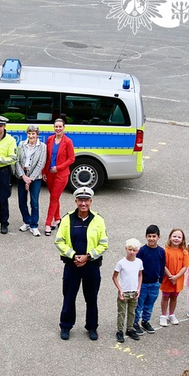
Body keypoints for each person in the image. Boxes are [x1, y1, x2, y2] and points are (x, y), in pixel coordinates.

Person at [55, 187, 108, 340]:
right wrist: (73, 256)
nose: (83, 203)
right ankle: (65, 326)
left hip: (91, 266)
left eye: (86, 200)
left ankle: (92, 327)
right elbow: (59, 241)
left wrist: (88, 256)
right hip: (72, 266)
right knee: (69, 297)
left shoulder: (98, 220)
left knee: (91, 298)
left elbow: (103, 244)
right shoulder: (67, 219)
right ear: (76, 201)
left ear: (91, 201)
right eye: (80, 200)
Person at [42, 118, 75, 236]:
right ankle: (57, 218)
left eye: (60, 126)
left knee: (53, 198)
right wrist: (44, 172)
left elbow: (72, 159)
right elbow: (47, 157)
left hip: (61, 174)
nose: (58, 129)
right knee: (54, 197)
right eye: (56, 126)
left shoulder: (68, 141)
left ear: (64, 127)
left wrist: (59, 167)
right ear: (53, 128)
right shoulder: (50, 139)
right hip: (50, 174)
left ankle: (48, 223)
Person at [15, 124, 47, 235]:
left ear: (37, 135)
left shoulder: (42, 146)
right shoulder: (21, 144)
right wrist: (23, 176)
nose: (31, 136)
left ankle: (34, 225)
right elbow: (17, 161)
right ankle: (27, 221)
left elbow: (41, 163)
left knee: (34, 202)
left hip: (35, 178)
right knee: (22, 201)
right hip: (22, 176)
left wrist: (30, 179)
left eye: (33, 133)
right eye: (29, 133)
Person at [133, 225, 165, 335]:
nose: (151, 238)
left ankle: (145, 321)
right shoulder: (141, 251)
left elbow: (162, 266)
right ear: (146, 237)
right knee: (139, 304)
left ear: (158, 237)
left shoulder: (161, 251)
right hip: (143, 284)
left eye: (154, 236)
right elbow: (137, 267)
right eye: (149, 236)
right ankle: (135, 322)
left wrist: (160, 281)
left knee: (149, 304)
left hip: (154, 283)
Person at [112, 238, 143, 343]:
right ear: (126, 249)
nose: (131, 252)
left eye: (134, 250)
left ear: (137, 251)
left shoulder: (139, 262)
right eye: (130, 249)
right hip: (124, 291)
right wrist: (120, 289)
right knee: (121, 312)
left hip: (134, 291)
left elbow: (140, 275)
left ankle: (130, 328)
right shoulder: (121, 263)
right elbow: (115, 277)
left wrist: (139, 288)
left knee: (132, 311)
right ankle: (119, 330)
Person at [160, 228, 189, 327]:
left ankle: (171, 314)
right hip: (167, 279)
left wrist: (176, 277)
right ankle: (163, 316)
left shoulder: (184, 251)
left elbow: (185, 266)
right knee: (165, 297)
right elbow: (163, 265)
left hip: (178, 279)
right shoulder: (165, 250)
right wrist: (170, 276)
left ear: (182, 239)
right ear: (170, 237)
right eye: (174, 236)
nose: (176, 239)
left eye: (179, 237)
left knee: (174, 297)